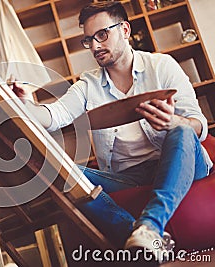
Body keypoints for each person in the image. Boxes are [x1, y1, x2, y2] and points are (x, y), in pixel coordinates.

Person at [12, 1, 213, 262]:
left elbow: (199, 124)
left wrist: (176, 122)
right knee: (59, 170)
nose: (94, 46)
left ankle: (150, 225)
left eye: (102, 35)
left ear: (125, 30)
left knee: (182, 130)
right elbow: (54, 116)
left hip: (180, 162)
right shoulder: (88, 85)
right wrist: (27, 104)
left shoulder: (162, 66)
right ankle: (140, 237)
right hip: (128, 177)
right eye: (88, 40)